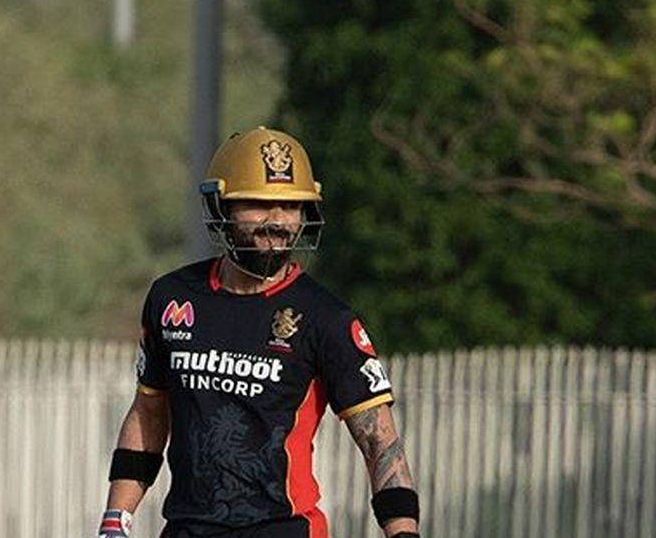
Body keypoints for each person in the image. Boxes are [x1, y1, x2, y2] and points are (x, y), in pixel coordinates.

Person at [97, 127, 420, 538]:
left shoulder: (326, 318)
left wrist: (404, 532)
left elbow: (380, 441)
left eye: (291, 206)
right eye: (259, 204)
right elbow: (149, 412)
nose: (278, 221)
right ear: (222, 207)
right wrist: (116, 519)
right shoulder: (172, 298)